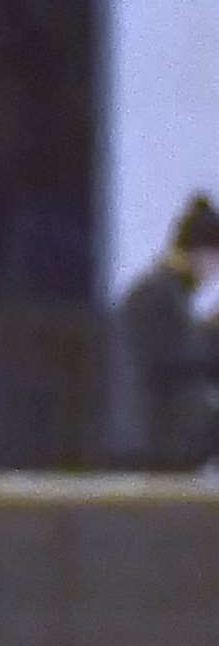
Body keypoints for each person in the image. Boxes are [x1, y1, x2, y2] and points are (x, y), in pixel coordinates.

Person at [107, 193, 219, 468]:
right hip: (154, 444)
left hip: (155, 442)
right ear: (202, 253)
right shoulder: (157, 295)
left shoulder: (161, 292)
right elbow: (179, 361)